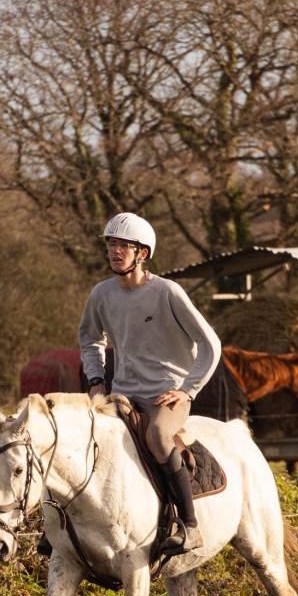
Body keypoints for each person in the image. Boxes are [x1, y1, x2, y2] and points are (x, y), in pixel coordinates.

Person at [79, 212, 221, 555]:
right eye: (111, 244)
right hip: (122, 394)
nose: (115, 251)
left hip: (166, 396)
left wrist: (187, 390)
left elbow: (211, 344)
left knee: (157, 435)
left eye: (123, 246)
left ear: (142, 253)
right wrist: (96, 379)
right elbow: (90, 340)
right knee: (84, 435)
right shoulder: (101, 294)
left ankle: (190, 526)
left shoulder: (167, 292)